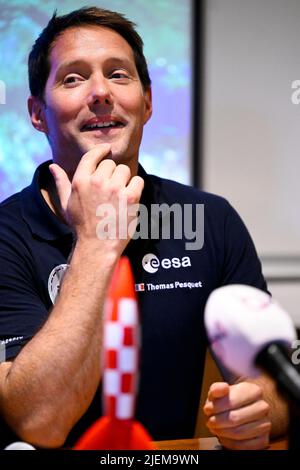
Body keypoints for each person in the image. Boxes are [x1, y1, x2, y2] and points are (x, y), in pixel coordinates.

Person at [0, 6, 288, 449]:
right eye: (73, 78)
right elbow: (39, 422)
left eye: (118, 75)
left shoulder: (209, 220)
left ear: (148, 103)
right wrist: (98, 241)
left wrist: (259, 407)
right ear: (37, 113)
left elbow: (275, 382)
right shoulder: (6, 233)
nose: (100, 92)